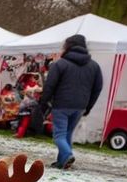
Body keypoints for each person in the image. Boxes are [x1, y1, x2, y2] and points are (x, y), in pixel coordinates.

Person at [39, 34, 103, 170]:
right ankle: (62, 162)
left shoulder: (60, 64)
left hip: (61, 104)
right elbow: (97, 88)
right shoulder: (94, 66)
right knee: (67, 134)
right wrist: (88, 107)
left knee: (59, 135)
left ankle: (67, 155)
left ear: (68, 46)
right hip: (80, 106)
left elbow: (50, 85)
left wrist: (43, 103)